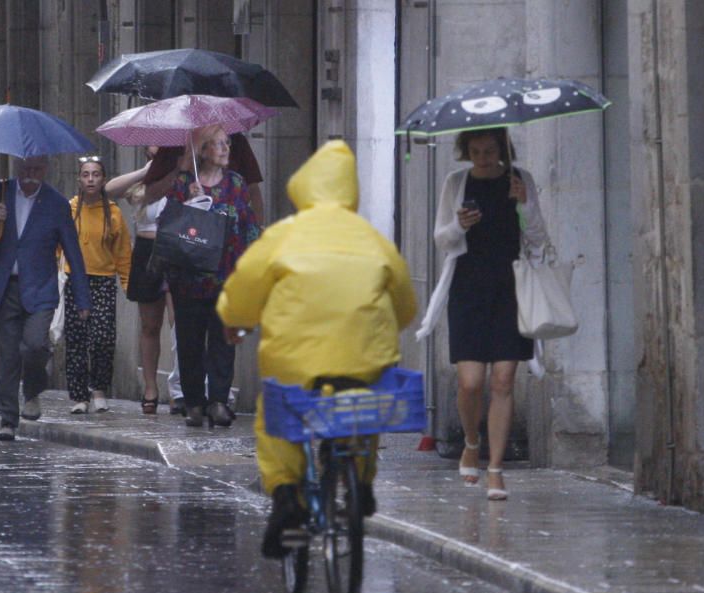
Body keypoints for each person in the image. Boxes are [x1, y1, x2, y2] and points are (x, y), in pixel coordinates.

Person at [216, 140, 417, 558]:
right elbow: (405, 305)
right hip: (364, 357)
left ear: (304, 188)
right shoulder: (373, 239)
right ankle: (360, 482)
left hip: (295, 360)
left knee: (277, 416)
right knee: (365, 407)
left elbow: (244, 288)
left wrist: (234, 322)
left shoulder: (284, 235)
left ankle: (287, 494)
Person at [419, 128, 549, 500]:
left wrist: (523, 204)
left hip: (511, 289)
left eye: (489, 151)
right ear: (466, 152)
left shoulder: (520, 180)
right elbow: (441, 238)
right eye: (475, 151)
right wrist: (459, 224)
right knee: (471, 382)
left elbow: (538, 238)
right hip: (468, 289)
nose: (483, 158)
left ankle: (495, 469)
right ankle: (471, 442)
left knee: (503, 381)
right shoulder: (456, 182)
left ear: (501, 150)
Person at [0, 155, 91, 442]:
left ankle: (34, 389)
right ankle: (8, 420)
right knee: (9, 354)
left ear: (45, 169)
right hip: (6, 287)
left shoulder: (56, 203)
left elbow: (73, 250)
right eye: (25, 169)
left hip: (41, 288)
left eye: (36, 168)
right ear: (16, 168)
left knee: (36, 345)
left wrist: (83, 299)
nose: (30, 174)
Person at [164, 125, 260, 428]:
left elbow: (247, 222)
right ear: (203, 151)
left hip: (226, 274)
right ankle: (193, 402)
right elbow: (167, 223)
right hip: (189, 277)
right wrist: (189, 204)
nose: (225, 149)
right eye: (218, 144)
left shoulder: (236, 183)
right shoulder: (183, 183)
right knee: (190, 341)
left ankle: (218, 400)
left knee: (222, 340)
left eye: (227, 143)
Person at [105, 146, 181, 415]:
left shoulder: (183, 171)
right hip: (147, 250)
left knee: (178, 322)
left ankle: (180, 388)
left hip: (176, 249)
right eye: (152, 141)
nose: (156, 145)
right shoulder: (143, 177)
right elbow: (110, 189)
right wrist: (147, 170)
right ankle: (150, 387)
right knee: (150, 325)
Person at [63, 156, 132, 414]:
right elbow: (58, 245)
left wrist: (126, 281)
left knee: (103, 338)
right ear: (79, 179)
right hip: (74, 279)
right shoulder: (69, 209)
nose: (90, 179)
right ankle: (79, 396)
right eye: (86, 174)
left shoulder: (113, 212)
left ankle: (100, 387)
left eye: (95, 174)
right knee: (77, 338)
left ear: (103, 179)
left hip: (103, 279)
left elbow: (123, 251)